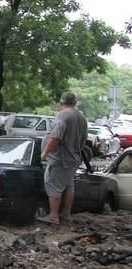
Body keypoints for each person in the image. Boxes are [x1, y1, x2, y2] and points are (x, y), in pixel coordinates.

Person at [38, 92, 88, 225]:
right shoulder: (81, 117)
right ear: (74, 103)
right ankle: (66, 214)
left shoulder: (63, 115)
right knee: (68, 186)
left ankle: (53, 216)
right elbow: (84, 140)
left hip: (60, 159)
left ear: (61, 103)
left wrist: (45, 153)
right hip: (73, 159)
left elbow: (56, 136)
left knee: (53, 185)